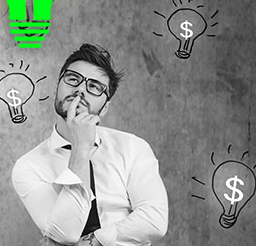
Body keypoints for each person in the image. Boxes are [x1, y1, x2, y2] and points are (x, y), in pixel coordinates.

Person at [12, 44, 168, 246]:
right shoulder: (28, 166)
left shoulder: (133, 148)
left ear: (105, 108)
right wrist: (81, 150)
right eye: (73, 79)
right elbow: (65, 233)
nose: (80, 89)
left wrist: (96, 241)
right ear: (56, 88)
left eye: (94, 87)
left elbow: (155, 221)